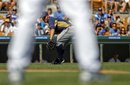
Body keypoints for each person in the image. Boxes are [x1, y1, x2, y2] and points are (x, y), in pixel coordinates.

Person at [7, 0, 102, 84]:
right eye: (44, 18)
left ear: (48, 16)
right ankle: (90, 68)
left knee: (28, 16)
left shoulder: (52, 18)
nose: (46, 18)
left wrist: (51, 39)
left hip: (70, 29)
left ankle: (16, 67)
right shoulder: (50, 21)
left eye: (46, 17)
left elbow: (52, 29)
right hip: (68, 29)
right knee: (80, 15)